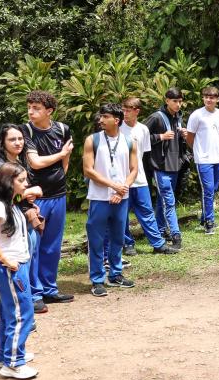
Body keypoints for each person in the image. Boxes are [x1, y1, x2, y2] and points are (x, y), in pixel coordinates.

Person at [0, 163, 37, 379]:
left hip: (12, 265)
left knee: (8, 311)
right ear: (8, 182)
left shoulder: (9, 203)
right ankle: (14, 362)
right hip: (9, 267)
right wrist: (6, 260)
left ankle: (5, 355)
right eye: (21, 180)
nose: (26, 184)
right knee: (22, 312)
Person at [22, 90, 75, 312]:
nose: (31, 112)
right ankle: (34, 294)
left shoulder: (62, 129)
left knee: (53, 246)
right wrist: (60, 155)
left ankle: (49, 289)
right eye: (29, 107)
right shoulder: (25, 131)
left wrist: (61, 168)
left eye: (36, 108)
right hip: (36, 198)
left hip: (58, 195)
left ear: (49, 111)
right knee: (34, 246)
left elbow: (66, 161)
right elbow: (34, 163)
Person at [83, 104, 138, 297]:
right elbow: (88, 170)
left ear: (116, 120)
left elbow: (134, 170)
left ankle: (116, 274)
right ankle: (97, 279)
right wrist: (113, 186)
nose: (100, 119)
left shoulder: (129, 141)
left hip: (121, 197)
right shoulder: (93, 140)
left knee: (118, 237)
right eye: (100, 116)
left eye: (105, 116)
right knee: (96, 239)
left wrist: (122, 189)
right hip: (99, 197)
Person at [120, 98, 179, 254]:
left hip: (139, 179)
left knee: (147, 211)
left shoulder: (143, 130)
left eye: (128, 110)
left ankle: (158, 244)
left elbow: (145, 155)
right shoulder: (117, 128)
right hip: (120, 180)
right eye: (123, 110)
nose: (125, 113)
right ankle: (127, 243)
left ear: (137, 111)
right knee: (122, 214)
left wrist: (148, 175)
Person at [144, 87, 190, 249]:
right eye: (174, 101)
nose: (178, 105)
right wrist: (160, 137)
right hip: (160, 166)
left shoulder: (178, 117)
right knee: (169, 202)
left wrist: (184, 135)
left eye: (180, 101)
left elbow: (181, 142)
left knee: (163, 201)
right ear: (167, 100)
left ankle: (161, 229)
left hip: (175, 165)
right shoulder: (156, 117)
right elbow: (139, 136)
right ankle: (176, 236)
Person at [185, 86, 219, 235]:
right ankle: (209, 222)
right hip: (203, 159)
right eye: (206, 97)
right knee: (208, 190)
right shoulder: (197, 115)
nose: (209, 99)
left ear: (217, 99)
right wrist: (197, 151)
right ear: (203, 98)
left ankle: (203, 218)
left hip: (217, 157)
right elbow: (190, 137)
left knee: (213, 189)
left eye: (212, 97)